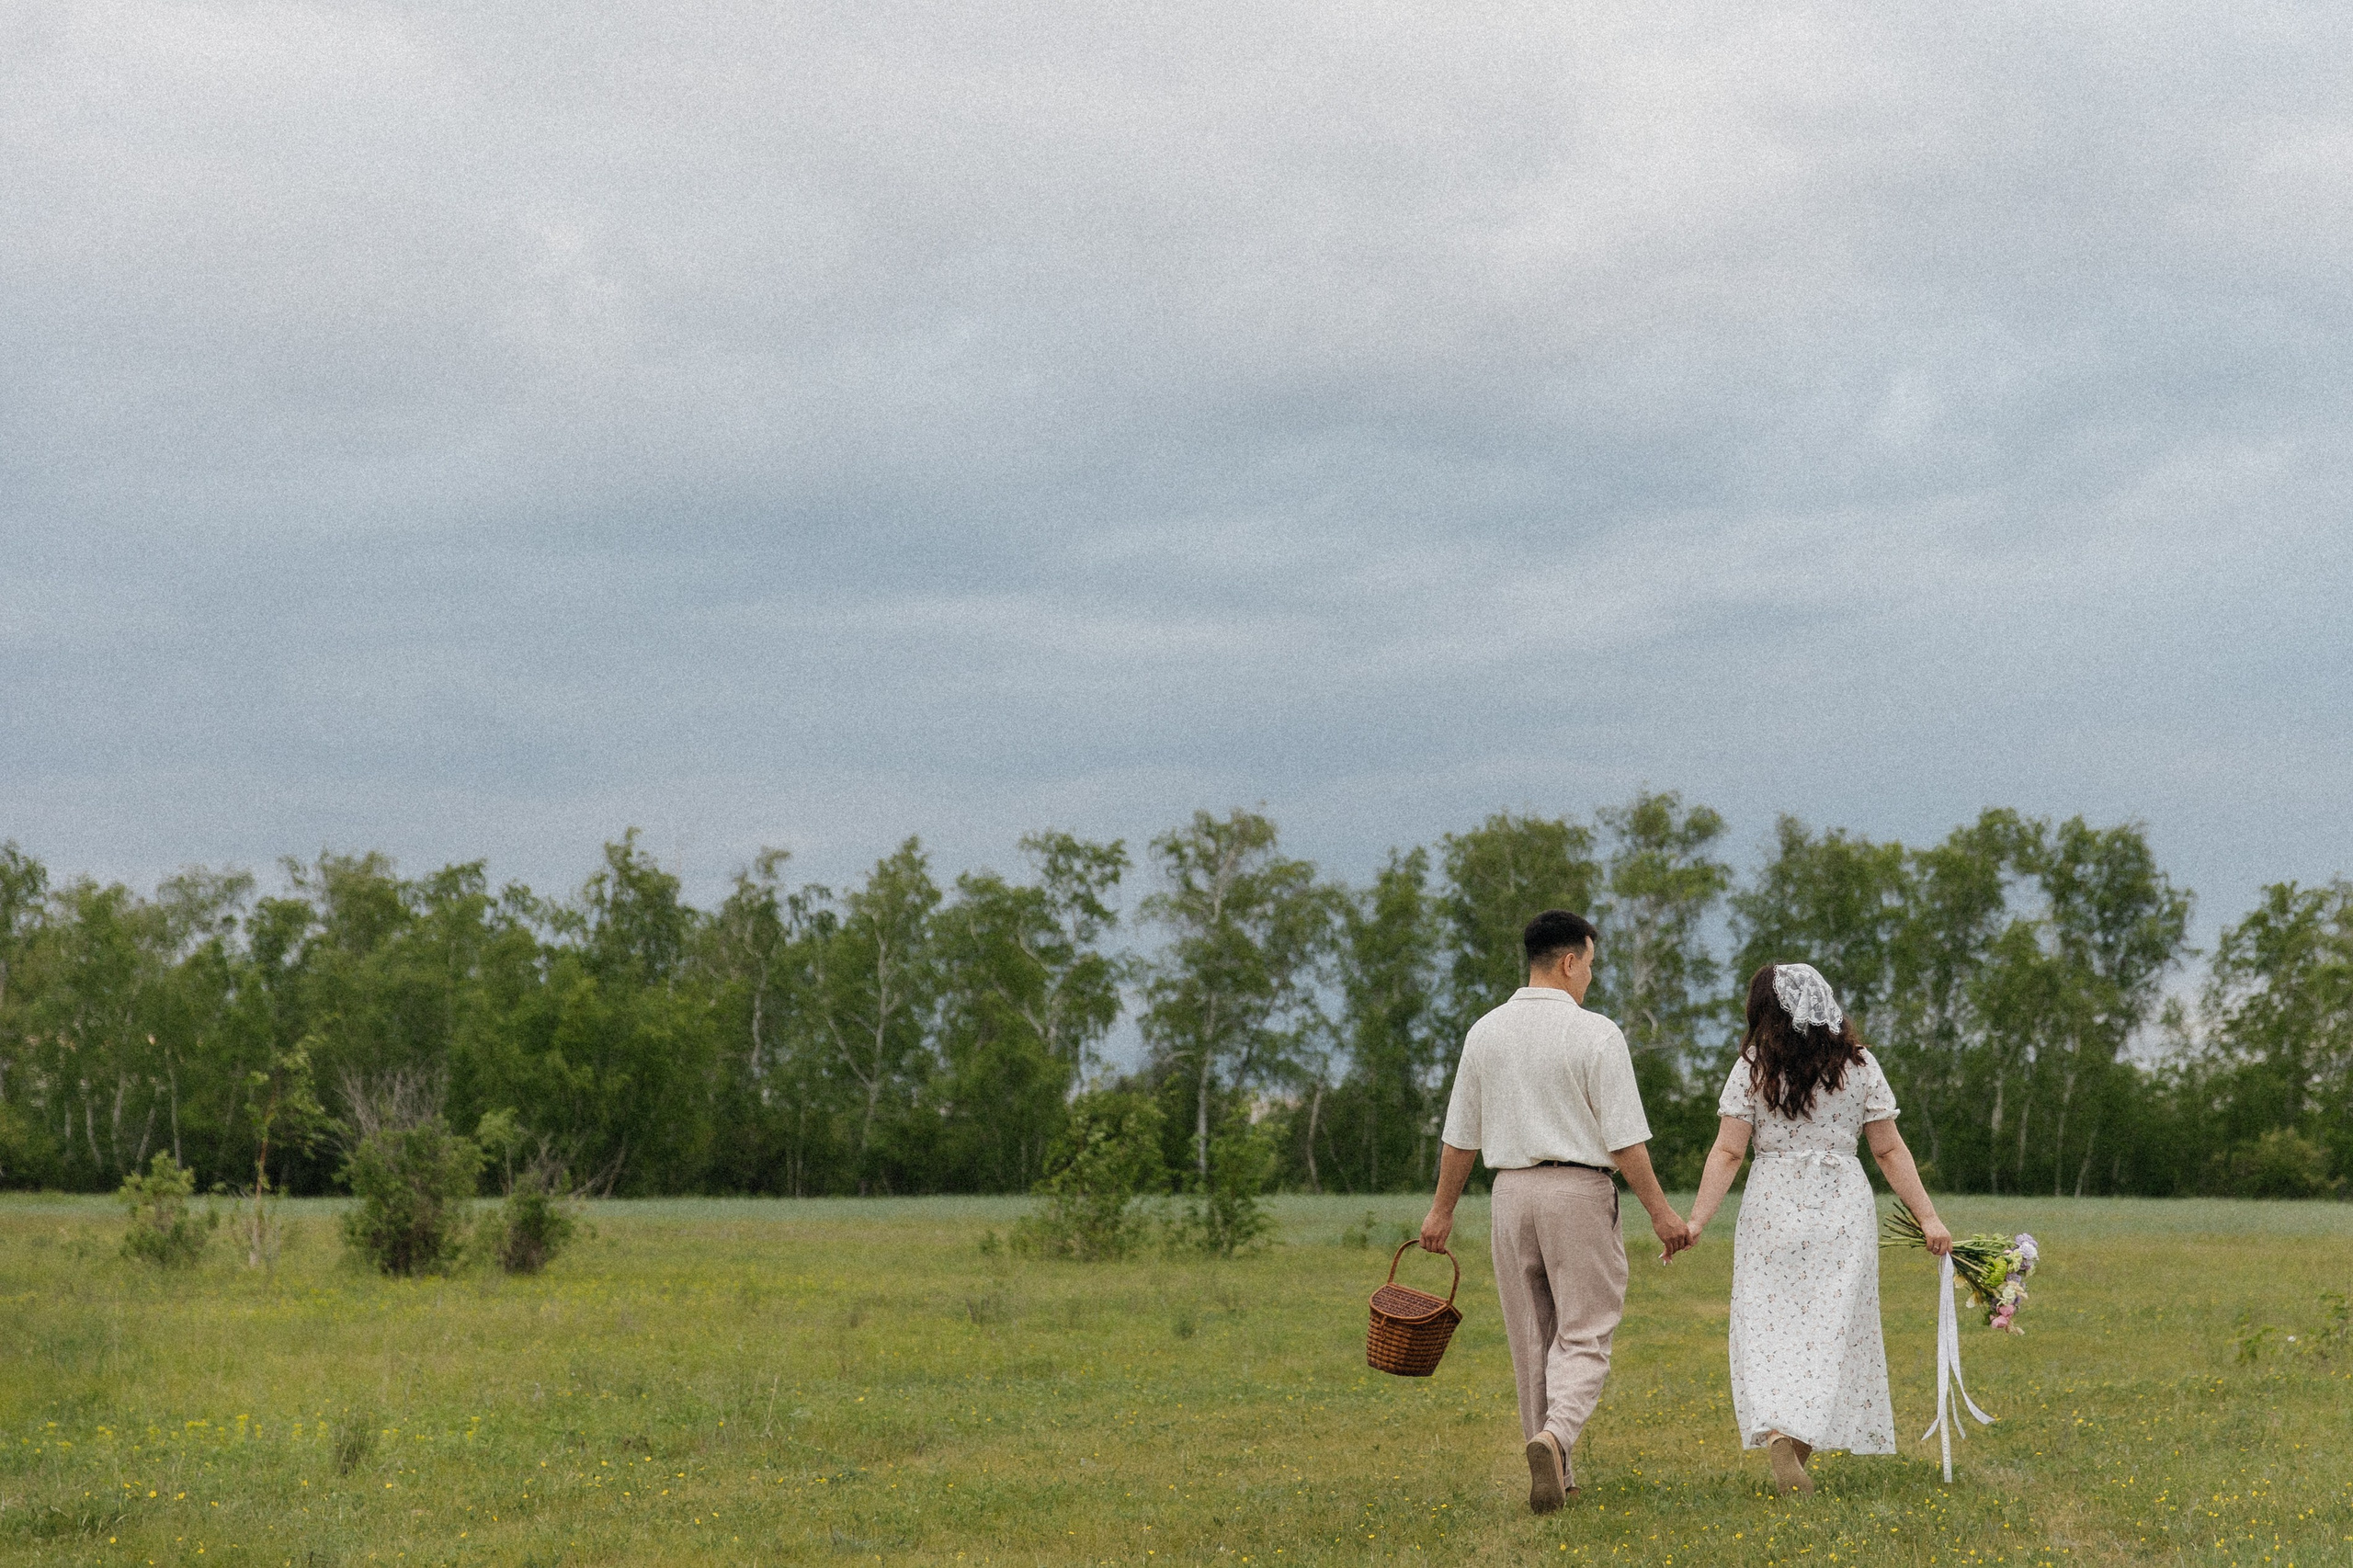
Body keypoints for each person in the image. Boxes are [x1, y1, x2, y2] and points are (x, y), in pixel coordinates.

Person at [1419, 909, 1691, 1517]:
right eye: (1590, 965)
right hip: (1577, 1192)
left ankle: (1558, 1477)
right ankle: (1556, 1438)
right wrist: (1661, 1214)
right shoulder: (1597, 1034)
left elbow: (1460, 1137)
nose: (1590, 977)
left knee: (1531, 1340)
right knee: (1585, 1332)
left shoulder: (1484, 1032)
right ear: (1570, 962)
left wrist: (1441, 1212)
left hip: (1510, 1195)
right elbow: (1625, 1141)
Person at [1684, 962, 1953, 1496]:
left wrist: (1696, 1221)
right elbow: (1888, 1149)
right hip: (1841, 1210)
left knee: (1770, 1330)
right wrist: (1929, 1217)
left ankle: (1781, 1434)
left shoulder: (1754, 1067)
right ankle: (1791, 1443)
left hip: (1772, 1208)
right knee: (1830, 1333)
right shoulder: (1858, 1064)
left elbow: (1729, 1150)